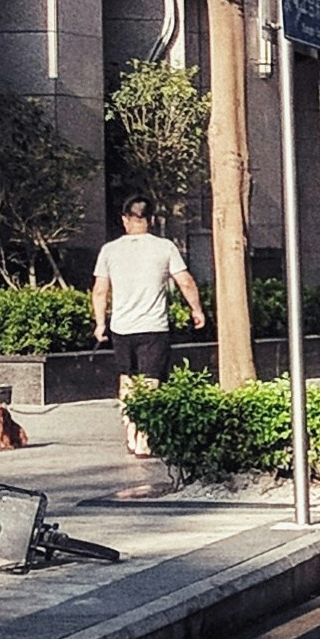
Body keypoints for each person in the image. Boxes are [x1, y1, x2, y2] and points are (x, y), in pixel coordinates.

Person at [89, 197, 206, 460]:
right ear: (151, 220)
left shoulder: (109, 250)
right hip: (154, 327)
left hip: (121, 327)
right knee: (152, 379)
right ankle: (146, 439)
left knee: (127, 379)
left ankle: (131, 434)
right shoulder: (165, 248)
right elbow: (185, 282)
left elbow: (99, 290)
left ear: (124, 219)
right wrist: (196, 309)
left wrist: (100, 323)